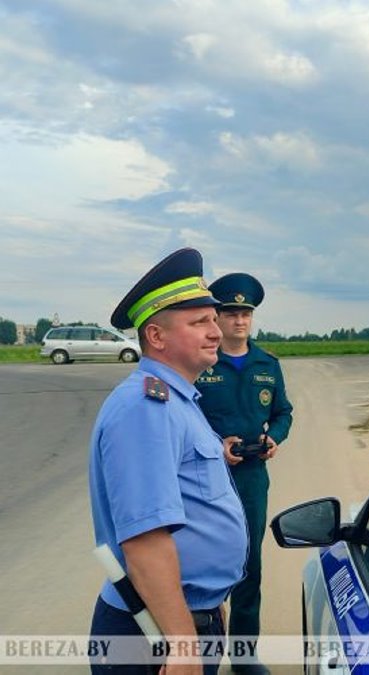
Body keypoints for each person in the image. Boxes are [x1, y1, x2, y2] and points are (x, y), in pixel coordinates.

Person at [89, 248, 248, 675]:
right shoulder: (146, 407)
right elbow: (145, 539)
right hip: (150, 634)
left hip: (186, 616)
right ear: (156, 336)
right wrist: (182, 644)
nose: (215, 332)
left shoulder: (177, 399)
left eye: (213, 320)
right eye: (199, 322)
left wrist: (210, 608)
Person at [195, 272, 293, 675]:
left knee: (250, 566)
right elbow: (185, 416)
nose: (238, 320)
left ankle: (245, 655)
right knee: (206, 567)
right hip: (208, 478)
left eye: (245, 313)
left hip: (252, 479)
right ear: (217, 316)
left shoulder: (267, 365)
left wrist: (276, 439)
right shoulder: (202, 364)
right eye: (231, 312)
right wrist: (214, 446)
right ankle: (203, 656)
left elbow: (283, 413)